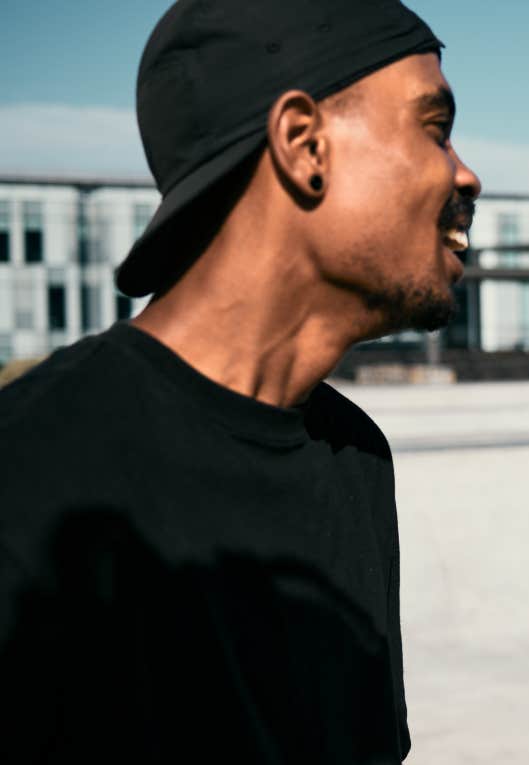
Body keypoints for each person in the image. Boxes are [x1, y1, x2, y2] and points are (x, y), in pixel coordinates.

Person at [0, 1, 480, 762]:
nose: (466, 173)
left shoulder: (355, 460)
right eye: (435, 127)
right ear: (302, 143)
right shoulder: (29, 471)